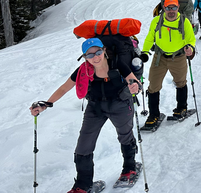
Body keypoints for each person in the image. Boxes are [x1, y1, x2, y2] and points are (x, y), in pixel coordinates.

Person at [30, 38, 140, 193]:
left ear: (104, 50)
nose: (95, 57)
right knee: (84, 145)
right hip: (95, 107)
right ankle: (83, 186)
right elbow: (64, 88)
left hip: (120, 104)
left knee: (125, 136)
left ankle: (129, 168)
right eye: (89, 55)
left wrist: (135, 86)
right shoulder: (83, 70)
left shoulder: (117, 63)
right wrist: (46, 104)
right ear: (84, 57)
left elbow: (134, 81)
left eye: (98, 52)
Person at [142, 0, 196, 129]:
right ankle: (153, 115)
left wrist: (190, 48)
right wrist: (144, 52)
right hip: (159, 57)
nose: (171, 10)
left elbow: (191, 39)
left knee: (181, 82)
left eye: (174, 7)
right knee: (153, 85)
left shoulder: (184, 21)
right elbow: (150, 37)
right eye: (168, 8)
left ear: (178, 7)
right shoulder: (156, 21)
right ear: (164, 8)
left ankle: (181, 108)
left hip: (178, 57)